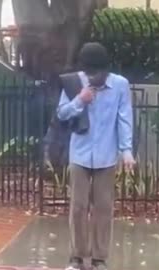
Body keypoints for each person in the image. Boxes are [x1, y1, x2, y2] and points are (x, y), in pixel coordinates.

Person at [57, 42, 136, 270]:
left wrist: (126, 150)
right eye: (89, 73)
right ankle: (77, 258)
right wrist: (80, 100)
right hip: (80, 154)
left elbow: (124, 119)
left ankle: (99, 259)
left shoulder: (120, 85)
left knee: (103, 207)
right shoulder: (74, 82)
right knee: (78, 207)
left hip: (106, 156)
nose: (93, 77)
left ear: (106, 70)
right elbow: (61, 113)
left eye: (97, 73)